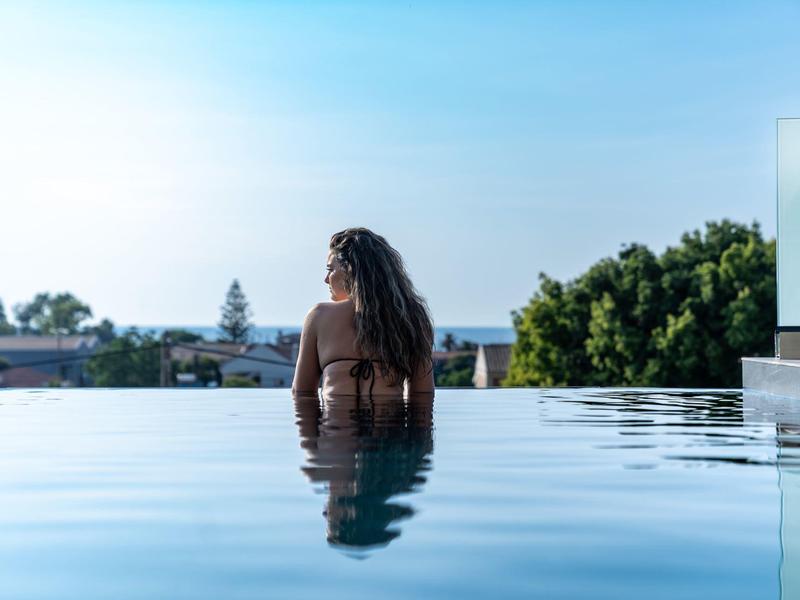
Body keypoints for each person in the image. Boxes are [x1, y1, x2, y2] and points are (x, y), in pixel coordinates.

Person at [291, 227, 434, 397]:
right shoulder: (412, 317)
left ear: (350, 270)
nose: (326, 279)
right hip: (392, 415)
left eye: (330, 270)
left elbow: (301, 393)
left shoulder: (319, 316)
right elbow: (423, 396)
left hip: (335, 415)